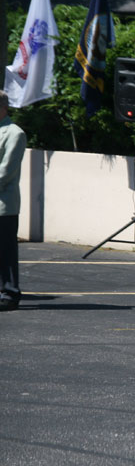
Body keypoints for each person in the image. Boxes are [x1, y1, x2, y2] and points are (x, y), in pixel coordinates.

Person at [0, 90, 27, 312]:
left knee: (6, 251)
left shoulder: (14, 133)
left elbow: (6, 171)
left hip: (3, 205)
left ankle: (9, 292)